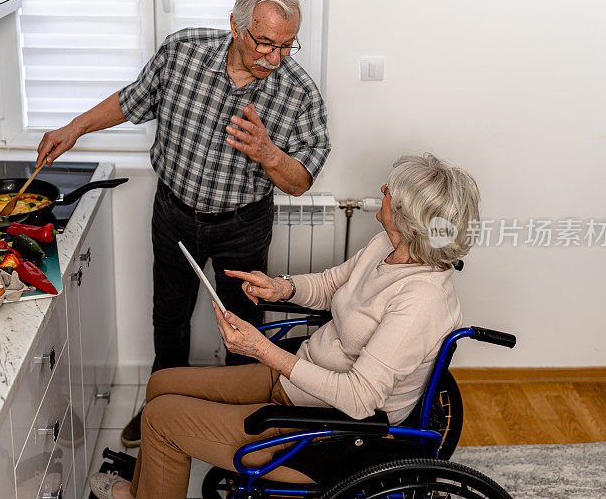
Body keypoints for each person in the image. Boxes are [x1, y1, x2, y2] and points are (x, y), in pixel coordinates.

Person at [35, 0, 330, 447]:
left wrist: (269, 154)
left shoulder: (300, 94)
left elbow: (301, 181)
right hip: (173, 216)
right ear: (235, 25)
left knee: (244, 330)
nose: (274, 58)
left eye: (286, 46)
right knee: (169, 322)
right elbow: (130, 101)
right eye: (265, 43)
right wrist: (75, 128)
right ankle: (160, 408)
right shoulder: (182, 52)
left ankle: (242, 430)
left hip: (243, 228)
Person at [88, 153, 482, 499]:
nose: (382, 188)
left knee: (160, 420)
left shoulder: (422, 302)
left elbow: (361, 398)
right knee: (161, 385)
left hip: (328, 431)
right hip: (300, 382)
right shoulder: (388, 246)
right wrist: (281, 287)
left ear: (409, 219)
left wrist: (261, 350)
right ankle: (145, 489)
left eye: (390, 191)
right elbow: (332, 285)